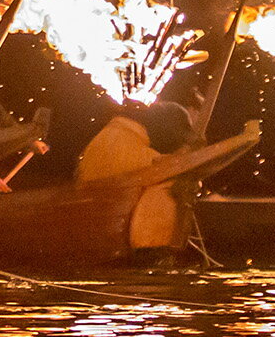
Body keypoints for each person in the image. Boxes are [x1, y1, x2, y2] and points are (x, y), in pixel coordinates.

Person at [75, 99, 195, 249]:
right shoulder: (132, 149)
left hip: (89, 233)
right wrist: (187, 153)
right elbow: (172, 167)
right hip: (115, 239)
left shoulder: (111, 135)